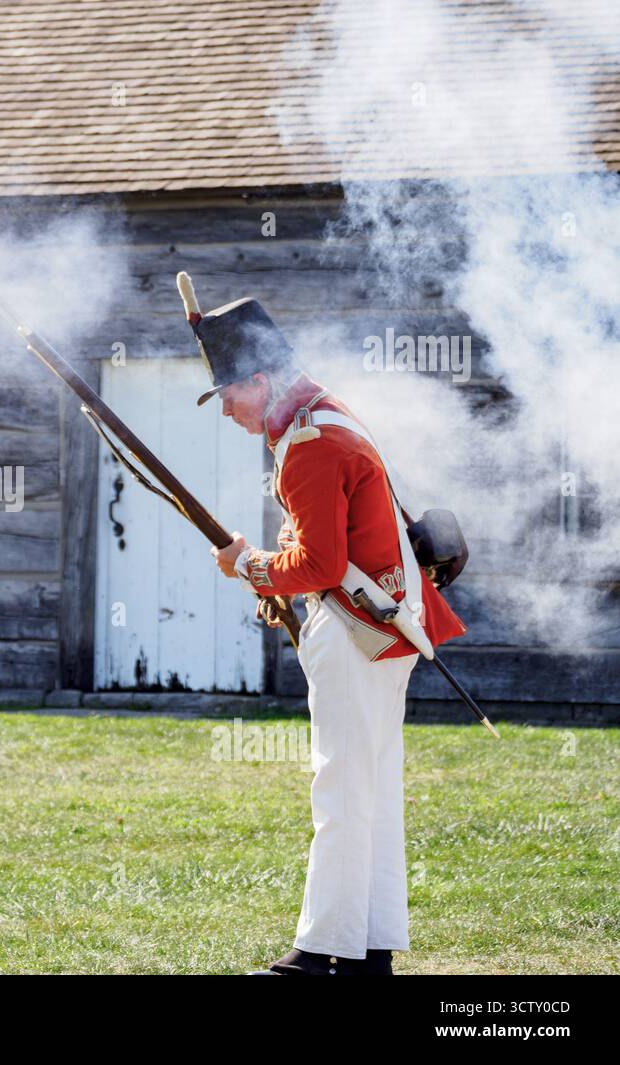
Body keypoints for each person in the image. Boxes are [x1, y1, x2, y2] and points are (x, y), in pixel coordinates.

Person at [181, 279, 466, 976]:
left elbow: (318, 561)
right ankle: (367, 951)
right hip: (381, 629)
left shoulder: (307, 442)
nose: (226, 412)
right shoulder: (321, 418)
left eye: (227, 396)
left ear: (258, 377)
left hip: (359, 633)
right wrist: (278, 572)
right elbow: (324, 551)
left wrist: (250, 565)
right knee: (369, 787)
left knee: (341, 786)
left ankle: (317, 954)